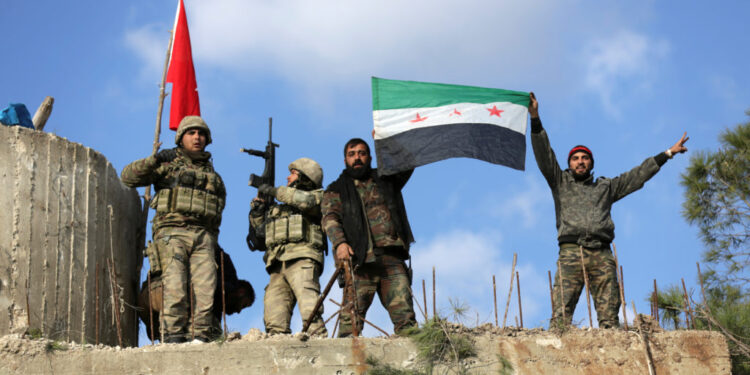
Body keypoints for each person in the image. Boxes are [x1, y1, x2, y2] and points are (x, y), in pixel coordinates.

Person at [528, 93, 689, 328]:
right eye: (575, 159)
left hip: (601, 254)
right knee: (561, 315)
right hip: (572, 251)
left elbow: (636, 176)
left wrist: (667, 154)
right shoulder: (560, 181)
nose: (580, 162)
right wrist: (535, 117)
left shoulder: (606, 187)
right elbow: (544, 154)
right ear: (569, 163)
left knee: (610, 319)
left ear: (591, 164)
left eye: (585, 158)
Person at [121, 116, 226, 343]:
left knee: (206, 288)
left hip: (203, 237)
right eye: (191, 133)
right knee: (175, 286)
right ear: (181, 138)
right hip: (172, 233)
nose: (197, 137)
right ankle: (173, 337)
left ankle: (200, 335)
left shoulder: (214, 177)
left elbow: (218, 209)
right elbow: (128, 176)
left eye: (201, 133)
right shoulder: (167, 166)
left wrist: (210, 238)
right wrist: (155, 159)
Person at [321, 138, 417, 337]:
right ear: (345, 159)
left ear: (370, 156)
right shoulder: (336, 189)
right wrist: (340, 243)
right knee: (350, 325)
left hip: (391, 258)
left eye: (362, 153)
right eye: (352, 154)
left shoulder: (386, 178)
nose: (357, 158)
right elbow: (330, 218)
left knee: (406, 320)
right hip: (359, 261)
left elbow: (407, 161)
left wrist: (384, 140)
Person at [248, 158, 328, 335]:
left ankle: (318, 342)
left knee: (310, 309)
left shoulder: (318, 197)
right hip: (277, 263)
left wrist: (274, 191)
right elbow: (260, 238)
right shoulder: (281, 208)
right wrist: (258, 210)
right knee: (274, 318)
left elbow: (305, 201)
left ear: (306, 177)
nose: (287, 177)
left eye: (293, 174)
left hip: (302, 259)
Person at [138, 246, 255, 341]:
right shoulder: (227, 278)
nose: (239, 311)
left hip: (150, 298)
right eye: (243, 305)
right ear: (241, 292)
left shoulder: (215, 309)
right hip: (165, 293)